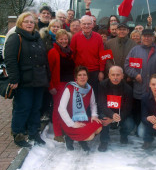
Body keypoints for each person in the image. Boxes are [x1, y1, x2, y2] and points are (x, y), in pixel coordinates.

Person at [4, 12, 50, 147]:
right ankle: (18, 134)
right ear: (20, 23)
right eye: (26, 21)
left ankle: (34, 132)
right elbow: (10, 60)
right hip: (24, 81)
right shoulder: (15, 38)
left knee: (36, 108)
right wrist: (14, 79)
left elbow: (44, 59)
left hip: (39, 80)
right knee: (23, 108)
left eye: (31, 22)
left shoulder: (37, 38)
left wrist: (47, 76)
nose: (29, 24)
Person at [58, 66, 102, 151]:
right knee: (90, 136)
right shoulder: (69, 88)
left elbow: (93, 104)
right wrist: (72, 124)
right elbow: (61, 108)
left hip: (82, 118)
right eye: (80, 75)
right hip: (69, 121)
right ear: (76, 77)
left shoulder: (89, 89)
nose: (82, 77)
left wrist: (94, 115)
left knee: (99, 126)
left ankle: (81, 139)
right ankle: (70, 138)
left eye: (84, 75)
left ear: (87, 77)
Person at [125, 29, 156, 130]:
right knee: (138, 108)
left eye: (149, 36)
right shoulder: (135, 50)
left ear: (153, 38)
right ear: (141, 37)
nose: (147, 38)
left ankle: (152, 128)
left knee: (152, 109)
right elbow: (127, 65)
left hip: (153, 89)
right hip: (139, 86)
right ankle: (138, 126)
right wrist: (135, 75)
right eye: (145, 36)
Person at [98, 66, 134, 152]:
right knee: (103, 119)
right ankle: (104, 141)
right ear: (109, 75)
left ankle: (124, 135)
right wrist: (111, 115)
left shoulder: (128, 89)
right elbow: (101, 104)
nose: (115, 77)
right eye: (113, 75)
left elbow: (128, 108)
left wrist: (114, 118)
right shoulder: (102, 85)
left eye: (118, 75)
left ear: (122, 76)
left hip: (120, 114)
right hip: (108, 112)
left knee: (130, 124)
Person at [48, 29, 75, 142]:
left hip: (70, 84)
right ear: (57, 40)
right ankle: (58, 133)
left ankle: (65, 129)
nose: (64, 41)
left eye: (65, 39)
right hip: (58, 84)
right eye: (61, 39)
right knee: (58, 109)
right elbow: (49, 70)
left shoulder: (70, 51)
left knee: (69, 108)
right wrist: (51, 86)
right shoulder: (53, 52)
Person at [70, 15, 105, 99]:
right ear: (81, 25)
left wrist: (101, 71)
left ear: (93, 25)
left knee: (93, 94)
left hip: (94, 72)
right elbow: (72, 55)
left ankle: (93, 112)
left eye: (89, 24)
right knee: (80, 95)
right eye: (84, 24)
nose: (86, 26)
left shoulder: (98, 37)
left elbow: (102, 55)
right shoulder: (75, 37)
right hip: (80, 71)